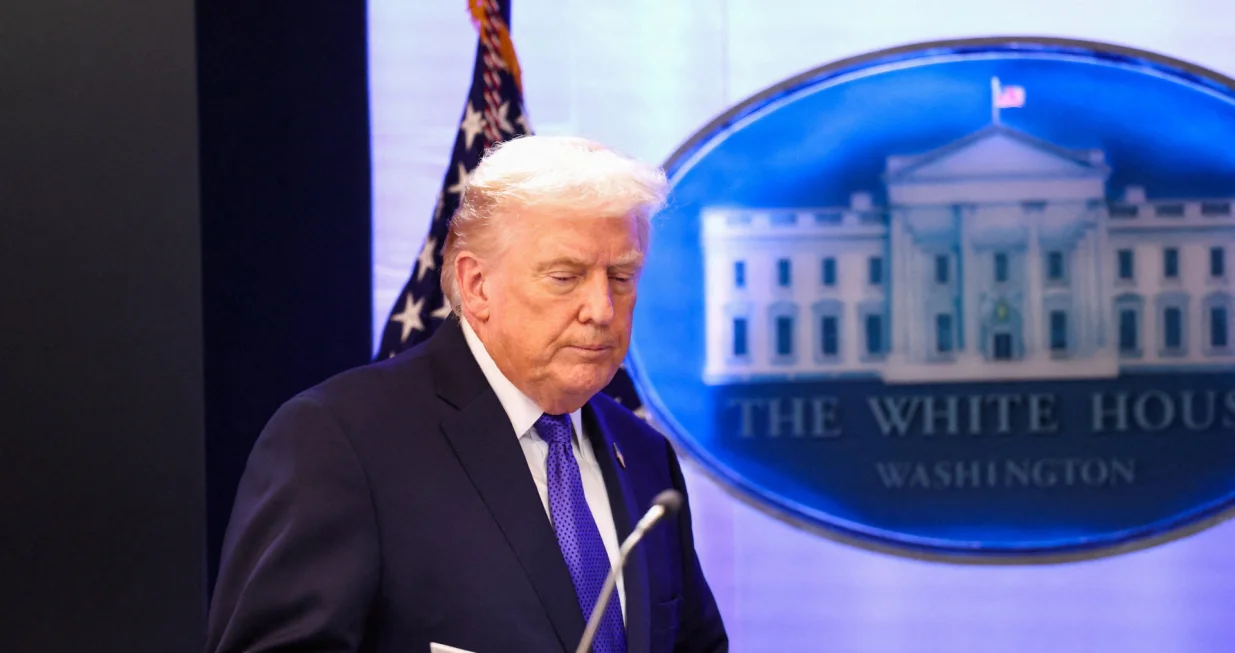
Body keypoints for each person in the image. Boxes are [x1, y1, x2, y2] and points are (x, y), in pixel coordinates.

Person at [206, 135, 729, 653]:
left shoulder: (642, 454)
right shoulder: (342, 440)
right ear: (477, 285)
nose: (601, 309)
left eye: (620, 277)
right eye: (565, 277)